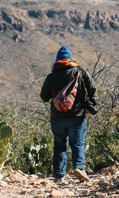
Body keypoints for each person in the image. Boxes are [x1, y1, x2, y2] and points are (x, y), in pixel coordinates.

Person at [40, 45, 97, 181]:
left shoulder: (51, 77)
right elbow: (92, 87)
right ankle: (79, 168)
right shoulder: (80, 72)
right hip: (76, 116)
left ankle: (59, 175)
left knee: (59, 145)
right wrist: (91, 102)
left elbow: (44, 97)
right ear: (70, 59)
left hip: (57, 117)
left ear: (57, 61)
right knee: (77, 143)